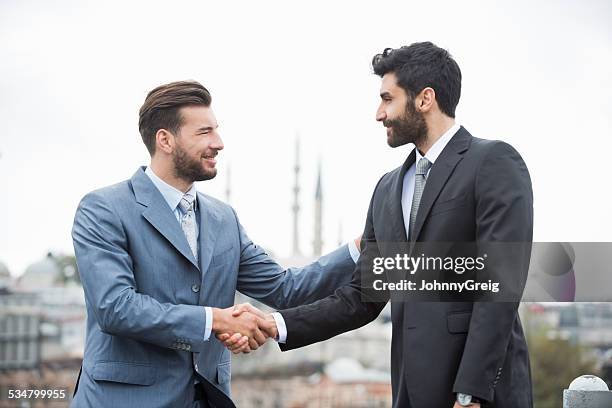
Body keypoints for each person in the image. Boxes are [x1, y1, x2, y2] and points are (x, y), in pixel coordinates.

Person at [224, 42, 534, 408]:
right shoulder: (387, 189)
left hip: (478, 395)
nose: (378, 113)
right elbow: (360, 298)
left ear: (425, 99)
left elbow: (498, 287)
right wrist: (277, 324)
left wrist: (470, 394)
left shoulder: (492, 162)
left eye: (387, 99)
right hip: (411, 390)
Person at [70, 80, 360, 408]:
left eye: (217, 131)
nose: (219, 143)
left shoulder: (225, 220)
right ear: (164, 140)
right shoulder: (104, 208)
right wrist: (216, 320)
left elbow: (286, 289)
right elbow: (115, 307)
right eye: (204, 132)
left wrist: (361, 247)